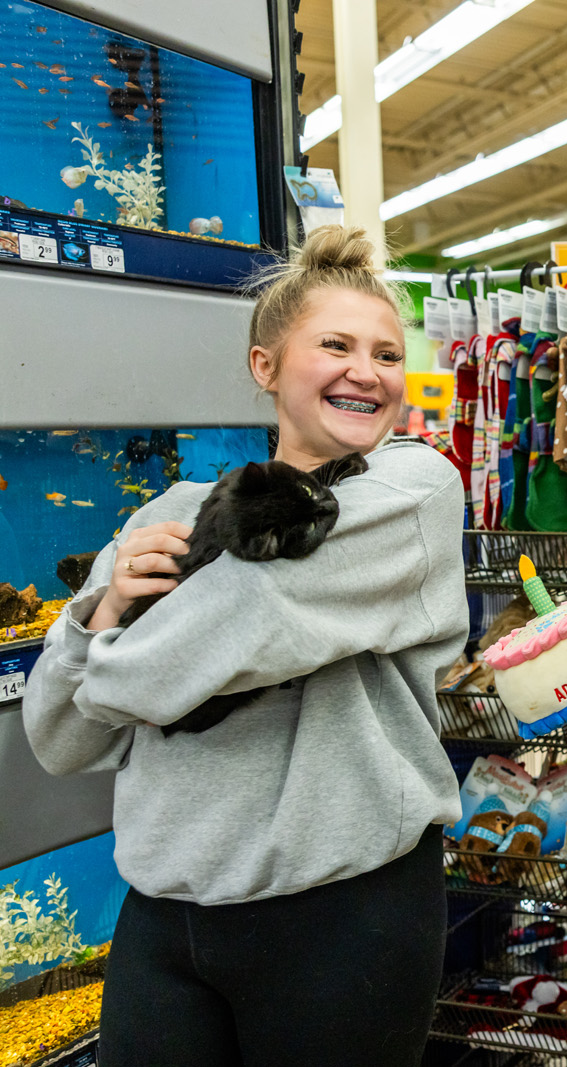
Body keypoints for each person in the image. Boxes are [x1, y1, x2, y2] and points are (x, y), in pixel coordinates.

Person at [22, 226, 468, 1067]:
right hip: (166, 912)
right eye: (334, 344)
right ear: (265, 366)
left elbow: (239, 620)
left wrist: (119, 655)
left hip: (343, 916)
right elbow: (62, 736)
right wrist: (107, 606)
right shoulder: (174, 506)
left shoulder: (411, 492)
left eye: (385, 353)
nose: (364, 371)